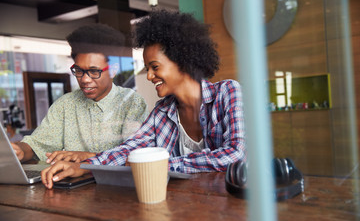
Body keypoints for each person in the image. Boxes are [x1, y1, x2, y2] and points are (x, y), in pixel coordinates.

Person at [41, 10, 246, 189]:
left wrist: (164, 164)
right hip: (186, 205)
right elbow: (129, 149)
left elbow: (234, 155)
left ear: (183, 60)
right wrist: (82, 167)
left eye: (154, 67)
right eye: (147, 69)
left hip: (231, 203)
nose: (149, 76)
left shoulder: (227, 92)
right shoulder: (161, 112)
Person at [12, 23, 148, 163]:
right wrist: (20, 150)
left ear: (113, 70)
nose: (84, 79)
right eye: (78, 71)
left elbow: (134, 156)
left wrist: (86, 157)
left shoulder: (132, 103)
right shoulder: (65, 105)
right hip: (73, 183)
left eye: (94, 71)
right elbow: (37, 144)